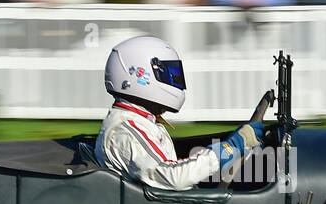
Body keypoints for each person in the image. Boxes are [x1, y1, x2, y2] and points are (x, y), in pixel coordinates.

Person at [96, 34, 264, 190]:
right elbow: (173, 177)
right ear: (135, 76)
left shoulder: (141, 121)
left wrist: (234, 140)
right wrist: (228, 148)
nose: (174, 81)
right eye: (169, 76)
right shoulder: (124, 132)